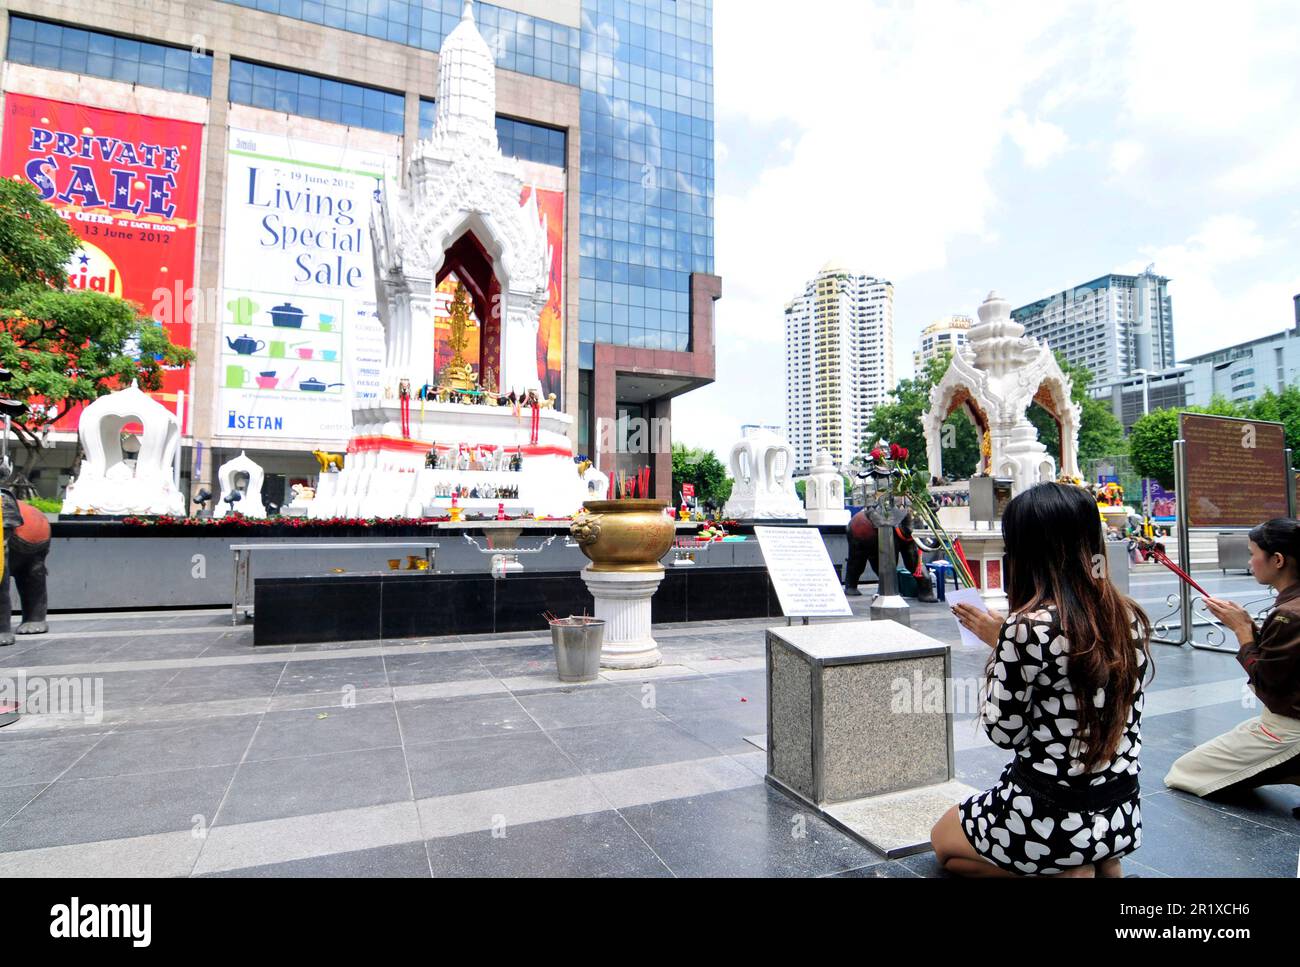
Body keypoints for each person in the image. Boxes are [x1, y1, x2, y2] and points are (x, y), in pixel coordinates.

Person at [933, 482, 1153, 877]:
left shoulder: (1025, 628)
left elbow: (1005, 733)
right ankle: (1096, 862)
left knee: (942, 842)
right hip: (1119, 810)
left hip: (1051, 810)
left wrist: (1004, 647)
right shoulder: (1128, 614)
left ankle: (1064, 871)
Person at [1165, 518, 1300, 798]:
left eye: (1253, 554)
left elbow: (1268, 684)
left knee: (1184, 771)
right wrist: (1251, 627)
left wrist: (1242, 631)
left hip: (1289, 727)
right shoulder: (1289, 609)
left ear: (1277, 560)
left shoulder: (1289, 615)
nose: (1251, 563)